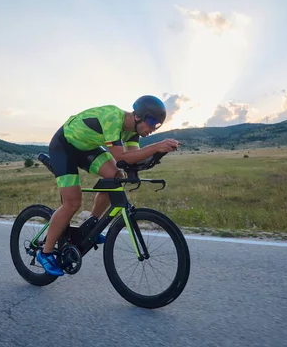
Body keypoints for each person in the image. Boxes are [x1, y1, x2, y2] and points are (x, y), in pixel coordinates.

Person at [37, 95, 180, 276]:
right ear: (138, 116)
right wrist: (157, 146)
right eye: (152, 122)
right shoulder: (113, 117)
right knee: (72, 203)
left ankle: (91, 226)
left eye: (158, 125)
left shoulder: (133, 131)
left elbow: (133, 157)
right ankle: (46, 252)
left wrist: (159, 154)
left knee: (115, 176)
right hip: (64, 146)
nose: (153, 128)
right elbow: (121, 157)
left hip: (86, 148)